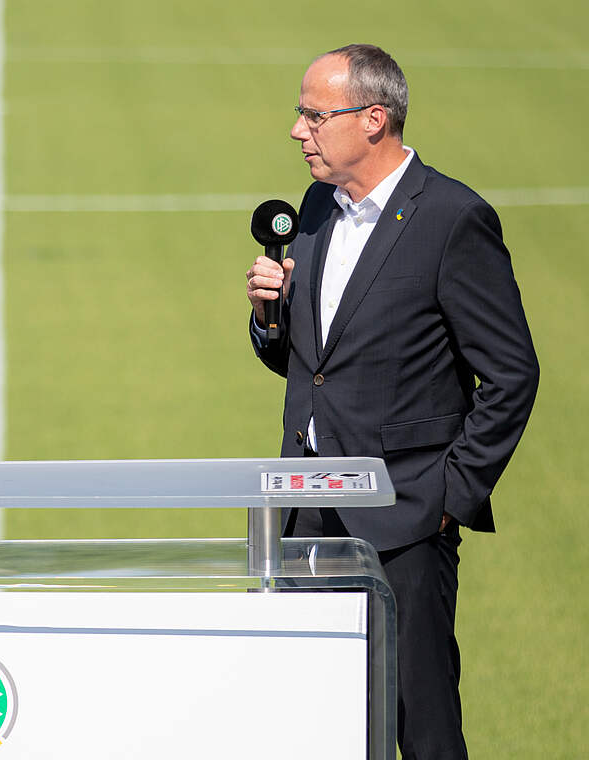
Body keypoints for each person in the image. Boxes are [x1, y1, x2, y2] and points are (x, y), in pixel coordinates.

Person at [245, 45, 538, 758]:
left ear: (374, 119)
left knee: (422, 728)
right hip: (307, 513)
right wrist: (267, 316)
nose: (298, 130)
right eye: (300, 113)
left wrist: (447, 496)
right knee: (317, 721)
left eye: (314, 114)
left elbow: (511, 374)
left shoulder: (451, 219)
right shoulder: (316, 207)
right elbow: (310, 367)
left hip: (404, 522)